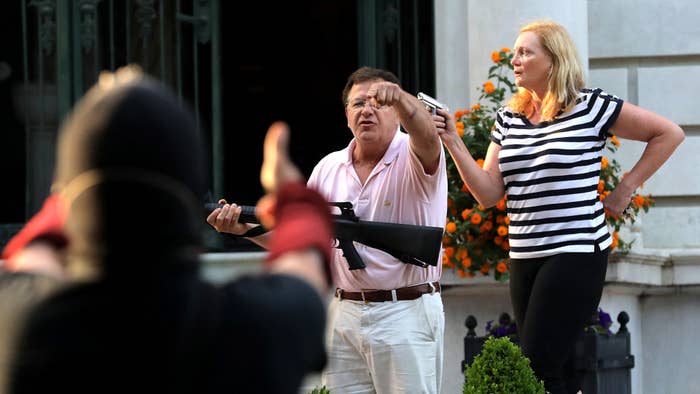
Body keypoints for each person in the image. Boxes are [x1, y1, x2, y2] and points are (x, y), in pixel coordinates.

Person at [8, 65, 334, 394]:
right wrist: (294, 200)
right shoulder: (249, 327)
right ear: (192, 194)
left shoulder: (19, 322)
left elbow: (34, 251)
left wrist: (67, 196)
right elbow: (305, 266)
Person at [433, 20, 684, 394]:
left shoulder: (591, 105)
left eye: (525, 52)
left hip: (576, 250)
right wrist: (452, 140)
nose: (514, 60)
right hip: (525, 253)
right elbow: (487, 194)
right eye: (515, 53)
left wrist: (626, 186)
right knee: (558, 370)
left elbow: (669, 133)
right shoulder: (508, 118)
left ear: (553, 59)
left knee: (535, 364)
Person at [208, 66, 448, 393]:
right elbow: (301, 241)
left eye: (380, 103)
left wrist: (405, 102)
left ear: (397, 113)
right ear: (346, 115)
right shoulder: (328, 167)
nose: (368, 110)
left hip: (406, 312)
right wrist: (242, 229)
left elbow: (428, 137)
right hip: (344, 313)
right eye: (358, 103)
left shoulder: (414, 154)